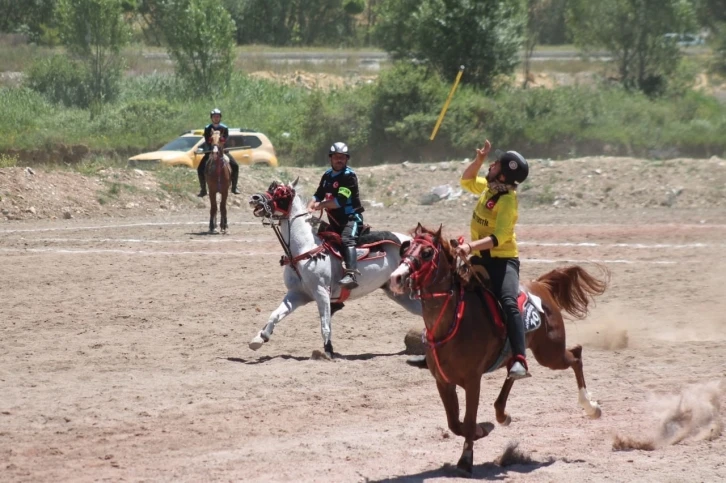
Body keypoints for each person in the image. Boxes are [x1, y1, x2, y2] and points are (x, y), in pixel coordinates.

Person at [455, 139, 531, 380]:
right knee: (451, 291)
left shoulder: (508, 201)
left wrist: (469, 246)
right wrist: (478, 161)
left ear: (504, 175)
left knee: (509, 302)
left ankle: (519, 360)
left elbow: (499, 238)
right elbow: (466, 180)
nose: (492, 164)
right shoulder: (489, 188)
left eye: (496, 163)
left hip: (503, 261)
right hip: (478, 256)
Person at [307, 142, 365, 289]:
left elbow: (340, 202)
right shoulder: (327, 175)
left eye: (342, 157)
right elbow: (318, 194)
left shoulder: (349, 176)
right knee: (314, 231)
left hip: (351, 219)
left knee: (347, 239)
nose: (339, 160)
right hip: (334, 220)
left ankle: (351, 274)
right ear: (330, 158)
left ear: (346, 159)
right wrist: (310, 205)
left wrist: (321, 205)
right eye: (336, 157)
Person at [197, 108, 241, 197]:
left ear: (220, 118)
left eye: (217, 116)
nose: (216, 118)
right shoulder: (207, 128)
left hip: (222, 151)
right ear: (211, 118)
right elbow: (207, 140)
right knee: (200, 168)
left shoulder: (224, 128)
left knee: (235, 165)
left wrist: (222, 145)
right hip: (211, 151)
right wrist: (212, 146)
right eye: (214, 117)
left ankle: (234, 187)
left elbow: (226, 139)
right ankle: (203, 189)